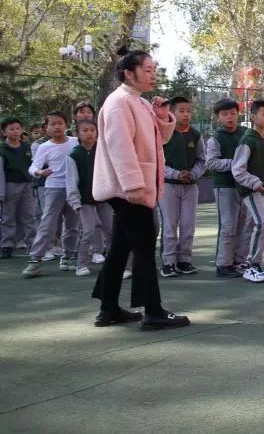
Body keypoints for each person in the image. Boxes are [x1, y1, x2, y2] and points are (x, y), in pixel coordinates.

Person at [91, 49, 189, 330]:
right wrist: (133, 186)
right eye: (147, 70)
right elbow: (120, 147)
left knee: (120, 248)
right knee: (144, 246)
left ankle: (108, 308)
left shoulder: (139, 102)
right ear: (128, 73)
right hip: (129, 190)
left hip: (133, 188)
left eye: (153, 70)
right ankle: (153, 311)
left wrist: (162, 116)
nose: (152, 75)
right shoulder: (119, 103)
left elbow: (160, 140)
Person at [23, 112, 80, 277]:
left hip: (74, 189)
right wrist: (39, 172)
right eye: (52, 124)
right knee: (47, 223)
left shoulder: (76, 142)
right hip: (53, 189)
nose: (57, 127)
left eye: (60, 123)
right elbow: (33, 167)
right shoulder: (44, 147)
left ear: (66, 125)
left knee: (72, 224)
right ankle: (35, 259)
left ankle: (68, 256)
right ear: (46, 128)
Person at [158, 96, 206, 277]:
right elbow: (158, 162)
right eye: (182, 111)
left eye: (189, 111)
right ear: (171, 112)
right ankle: (168, 262)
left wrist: (193, 173)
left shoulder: (195, 135)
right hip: (168, 186)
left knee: (188, 225)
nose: (186, 114)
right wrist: (175, 174)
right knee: (169, 226)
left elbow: (202, 160)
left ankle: (184, 260)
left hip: (190, 187)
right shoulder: (163, 134)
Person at [206, 99, 252, 279]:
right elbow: (211, 163)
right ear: (218, 118)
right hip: (225, 187)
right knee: (228, 226)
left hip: (245, 187)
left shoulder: (246, 134)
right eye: (225, 114)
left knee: (245, 225)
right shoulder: (215, 138)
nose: (229, 117)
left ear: (238, 114)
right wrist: (235, 164)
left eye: (233, 113)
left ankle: (240, 261)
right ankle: (223, 264)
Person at [232, 100, 264, 283]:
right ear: (253, 116)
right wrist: (254, 182)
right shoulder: (248, 140)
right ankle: (253, 265)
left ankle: (244, 263)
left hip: (259, 190)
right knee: (263, 223)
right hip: (250, 191)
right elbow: (237, 169)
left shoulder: (261, 139)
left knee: (251, 226)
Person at [66, 119, 112, 276]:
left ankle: (114, 263)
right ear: (77, 134)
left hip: (104, 198)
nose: (89, 133)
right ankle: (81, 265)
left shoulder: (103, 151)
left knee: (111, 230)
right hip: (84, 200)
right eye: (85, 130)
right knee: (88, 232)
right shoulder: (74, 155)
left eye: (92, 130)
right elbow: (71, 181)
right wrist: (75, 202)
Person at [1, 117, 36, 259]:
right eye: (11, 129)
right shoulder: (2, 150)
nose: (15, 132)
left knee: (29, 215)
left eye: (18, 128)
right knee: (8, 216)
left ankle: (32, 244)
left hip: (27, 184)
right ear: (4, 132)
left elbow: (33, 165)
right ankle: (7, 245)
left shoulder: (26, 147)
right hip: (9, 185)